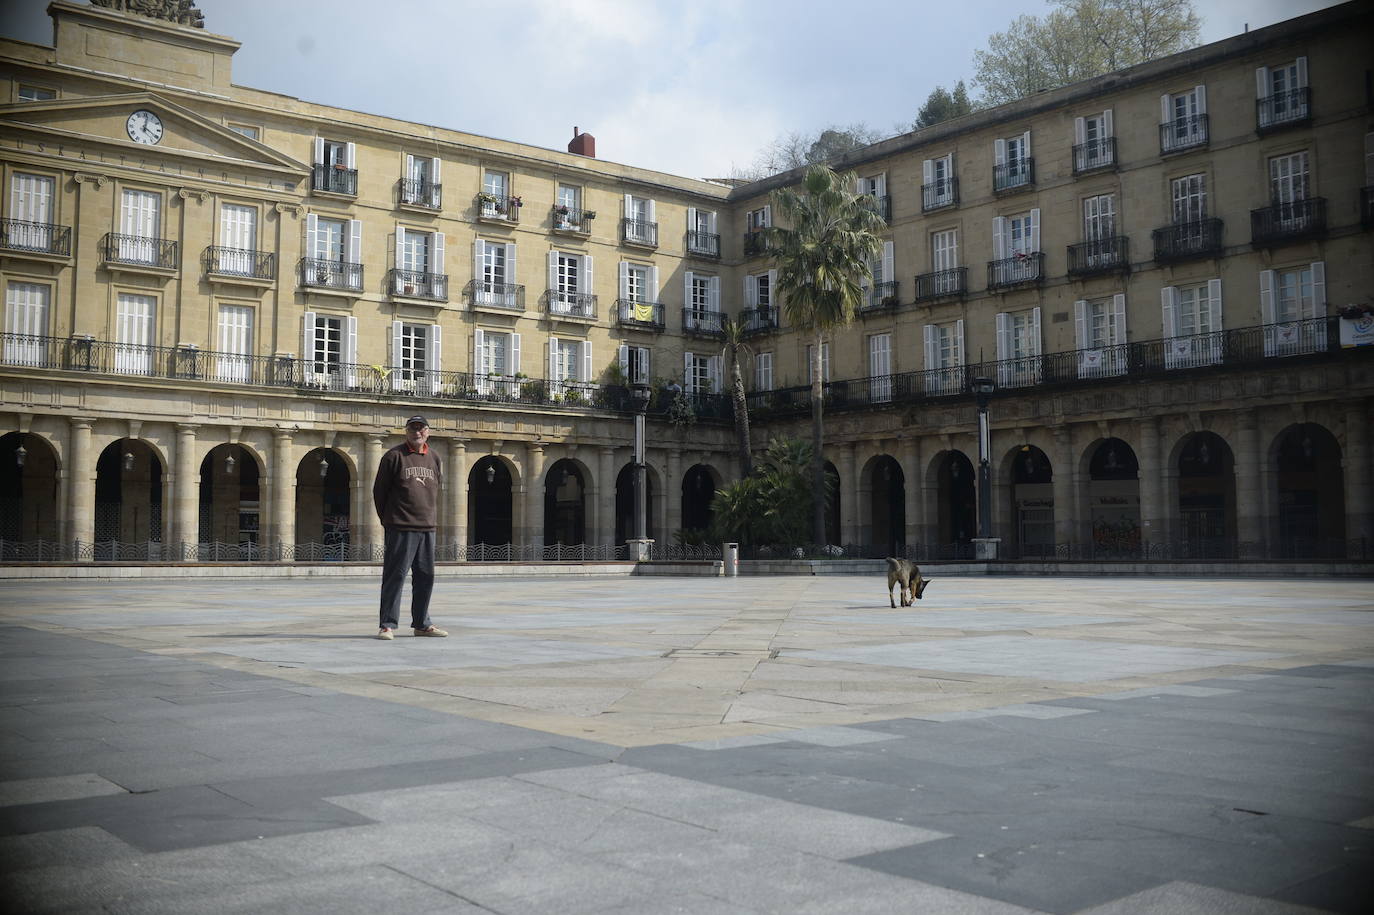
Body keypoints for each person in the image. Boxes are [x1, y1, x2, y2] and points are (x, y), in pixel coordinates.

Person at [372, 415, 447, 640]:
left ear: (428, 432)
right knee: (395, 576)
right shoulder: (394, 456)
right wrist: (389, 520)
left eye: (421, 428)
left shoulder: (434, 457)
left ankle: (422, 624)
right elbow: (379, 492)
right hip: (401, 526)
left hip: (427, 527)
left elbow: (436, 489)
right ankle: (387, 624)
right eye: (413, 429)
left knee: (426, 576)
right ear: (406, 431)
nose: (417, 432)